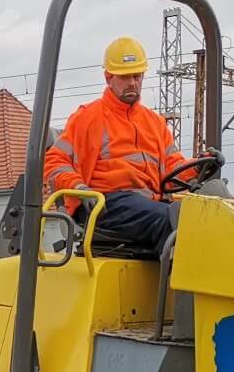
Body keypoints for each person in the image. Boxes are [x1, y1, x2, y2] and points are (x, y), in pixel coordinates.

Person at [42, 36, 190, 248]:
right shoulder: (88, 117)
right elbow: (55, 162)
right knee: (170, 219)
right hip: (107, 203)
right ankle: (175, 269)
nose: (132, 83)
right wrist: (80, 188)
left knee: (203, 215)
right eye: (125, 77)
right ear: (108, 78)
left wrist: (199, 166)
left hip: (151, 203)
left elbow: (174, 169)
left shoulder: (154, 122)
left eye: (137, 76)